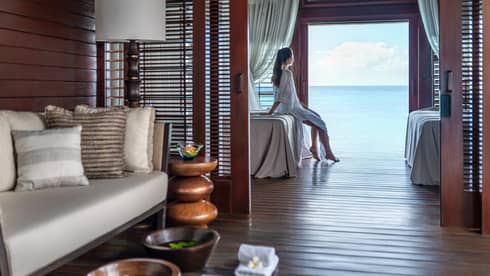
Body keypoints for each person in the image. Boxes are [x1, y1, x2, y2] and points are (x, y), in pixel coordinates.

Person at [267, 47, 339, 162]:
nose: (293, 58)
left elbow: (290, 96)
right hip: (291, 109)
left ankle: (314, 147)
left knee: (317, 117)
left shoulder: (277, 74)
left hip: (290, 107)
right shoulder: (287, 73)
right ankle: (328, 153)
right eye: (292, 56)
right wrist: (270, 112)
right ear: (287, 58)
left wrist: (305, 107)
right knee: (321, 124)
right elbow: (280, 97)